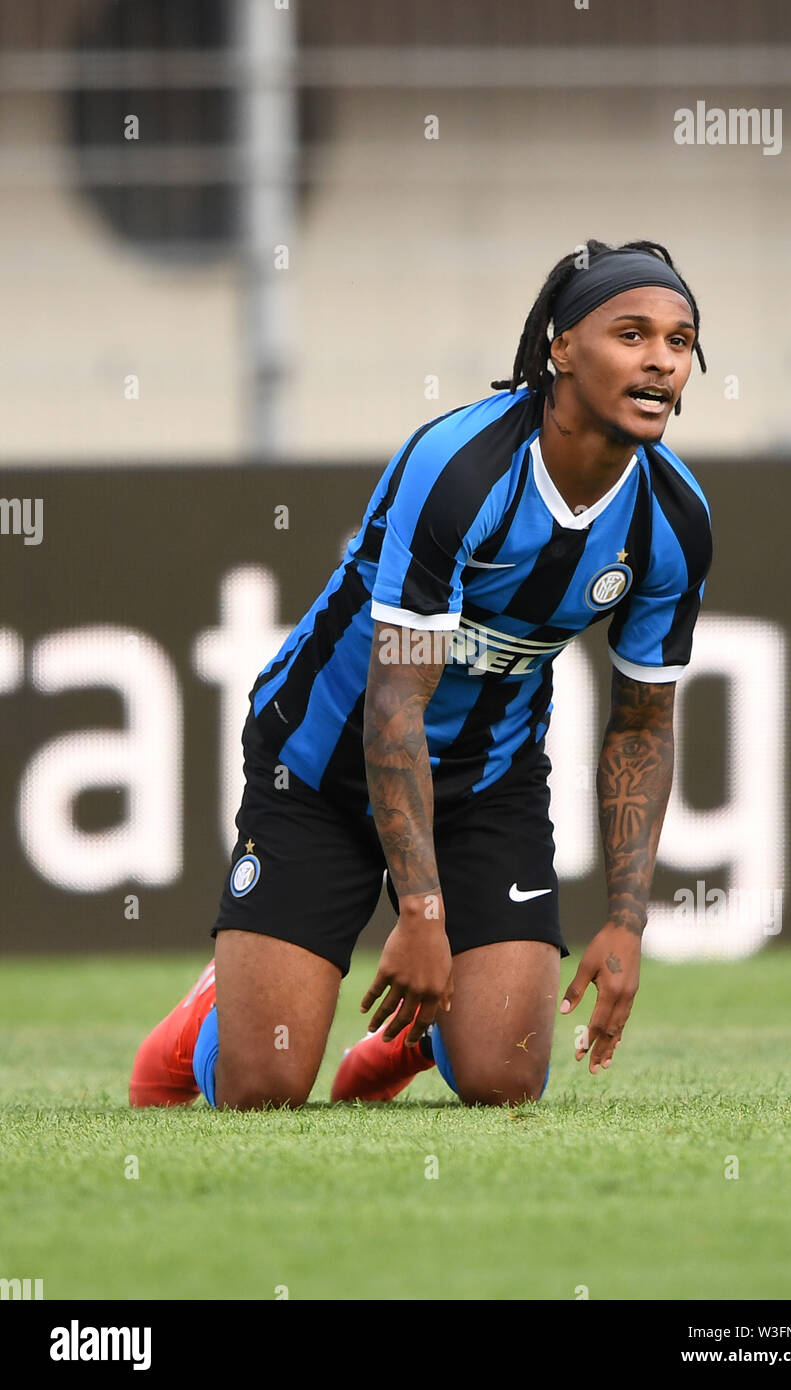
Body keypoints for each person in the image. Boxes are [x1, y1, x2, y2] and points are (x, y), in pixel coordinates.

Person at [129, 237, 712, 1111]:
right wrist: (422, 911)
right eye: (632, 334)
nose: (661, 361)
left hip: (486, 784)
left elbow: (641, 726)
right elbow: (396, 702)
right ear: (561, 347)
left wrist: (627, 922)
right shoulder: (461, 469)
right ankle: (212, 1006)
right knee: (265, 1090)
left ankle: (408, 1045)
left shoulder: (674, 517)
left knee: (506, 1078)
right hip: (325, 763)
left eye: (679, 340)